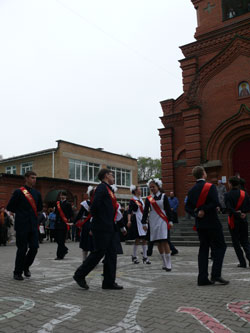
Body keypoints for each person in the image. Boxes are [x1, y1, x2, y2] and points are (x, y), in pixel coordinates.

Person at [73, 168, 124, 290]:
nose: (113, 178)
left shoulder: (108, 189)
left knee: (112, 254)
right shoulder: (101, 188)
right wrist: (100, 221)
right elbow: (94, 206)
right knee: (98, 252)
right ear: (106, 176)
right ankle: (79, 275)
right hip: (102, 227)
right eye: (112, 175)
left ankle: (108, 282)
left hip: (110, 227)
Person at [185, 166, 228, 286]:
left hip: (200, 224)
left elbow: (187, 207)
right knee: (221, 247)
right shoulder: (211, 187)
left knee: (203, 249)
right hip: (212, 223)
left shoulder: (191, 190)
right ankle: (216, 274)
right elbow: (215, 202)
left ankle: (202, 278)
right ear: (204, 174)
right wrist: (204, 209)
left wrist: (196, 212)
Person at [6, 171, 43, 280]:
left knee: (34, 248)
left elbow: (39, 208)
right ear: (26, 178)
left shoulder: (37, 193)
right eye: (32, 178)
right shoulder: (18, 192)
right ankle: (17, 272)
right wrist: (22, 212)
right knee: (22, 249)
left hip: (33, 225)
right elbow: (10, 207)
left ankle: (25, 267)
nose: (34, 180)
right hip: (22, 225)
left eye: (35, 178)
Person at [142, 178, 173, 271]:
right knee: (158, 242)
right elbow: (145, 212)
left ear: (158, 187)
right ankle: (164, 262)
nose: (152, 188)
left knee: (164, 240)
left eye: (153, 187)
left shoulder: (164, 196)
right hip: (153, 221)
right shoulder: (149, 199)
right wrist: (144, 222)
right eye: (150, 187)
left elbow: (168, 209)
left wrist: (171, 221)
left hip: (163, 220)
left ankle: (169, 263)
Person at [225, 176, 250, 268]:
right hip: (243, 220)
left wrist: (236, 213)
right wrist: (243, 212)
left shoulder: (227, 195)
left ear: (230, 184)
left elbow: (228, 208)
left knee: (236, 242)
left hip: (233, 221)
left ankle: (242, 262)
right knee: (245, 241)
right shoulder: (245, 194)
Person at [127, 185, 151, 264]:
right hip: (137, 221)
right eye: (139, 189)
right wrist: (129, 221)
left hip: (143, 221)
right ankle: (134, 256)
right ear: (135, 191)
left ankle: (145, 257)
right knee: (137, 239)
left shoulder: (141, 199)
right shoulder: (132, 200)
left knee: (145, 239)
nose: (140, 190)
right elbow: (129, 211)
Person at [74, 186, 95, 262]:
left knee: (92, 243)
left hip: (93, 223)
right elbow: (80, 214)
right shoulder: (85, 203)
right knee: (86, 242)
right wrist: (74, 222)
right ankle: (85, 259)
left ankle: (89, 259)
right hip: (87, 223)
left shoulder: (97, 202)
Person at [54, 191, 73, 260]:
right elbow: (56, 212)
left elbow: (71, 214)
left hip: (64, 224)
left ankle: (59, 255)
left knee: (61, 240)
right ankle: (64, 249)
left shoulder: (68, 204)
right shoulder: (57, 204)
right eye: (61, 195)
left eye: (63, 195)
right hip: (57, 223)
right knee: (57, 239)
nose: (62, 197)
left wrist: (67, 219)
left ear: (66, 196)